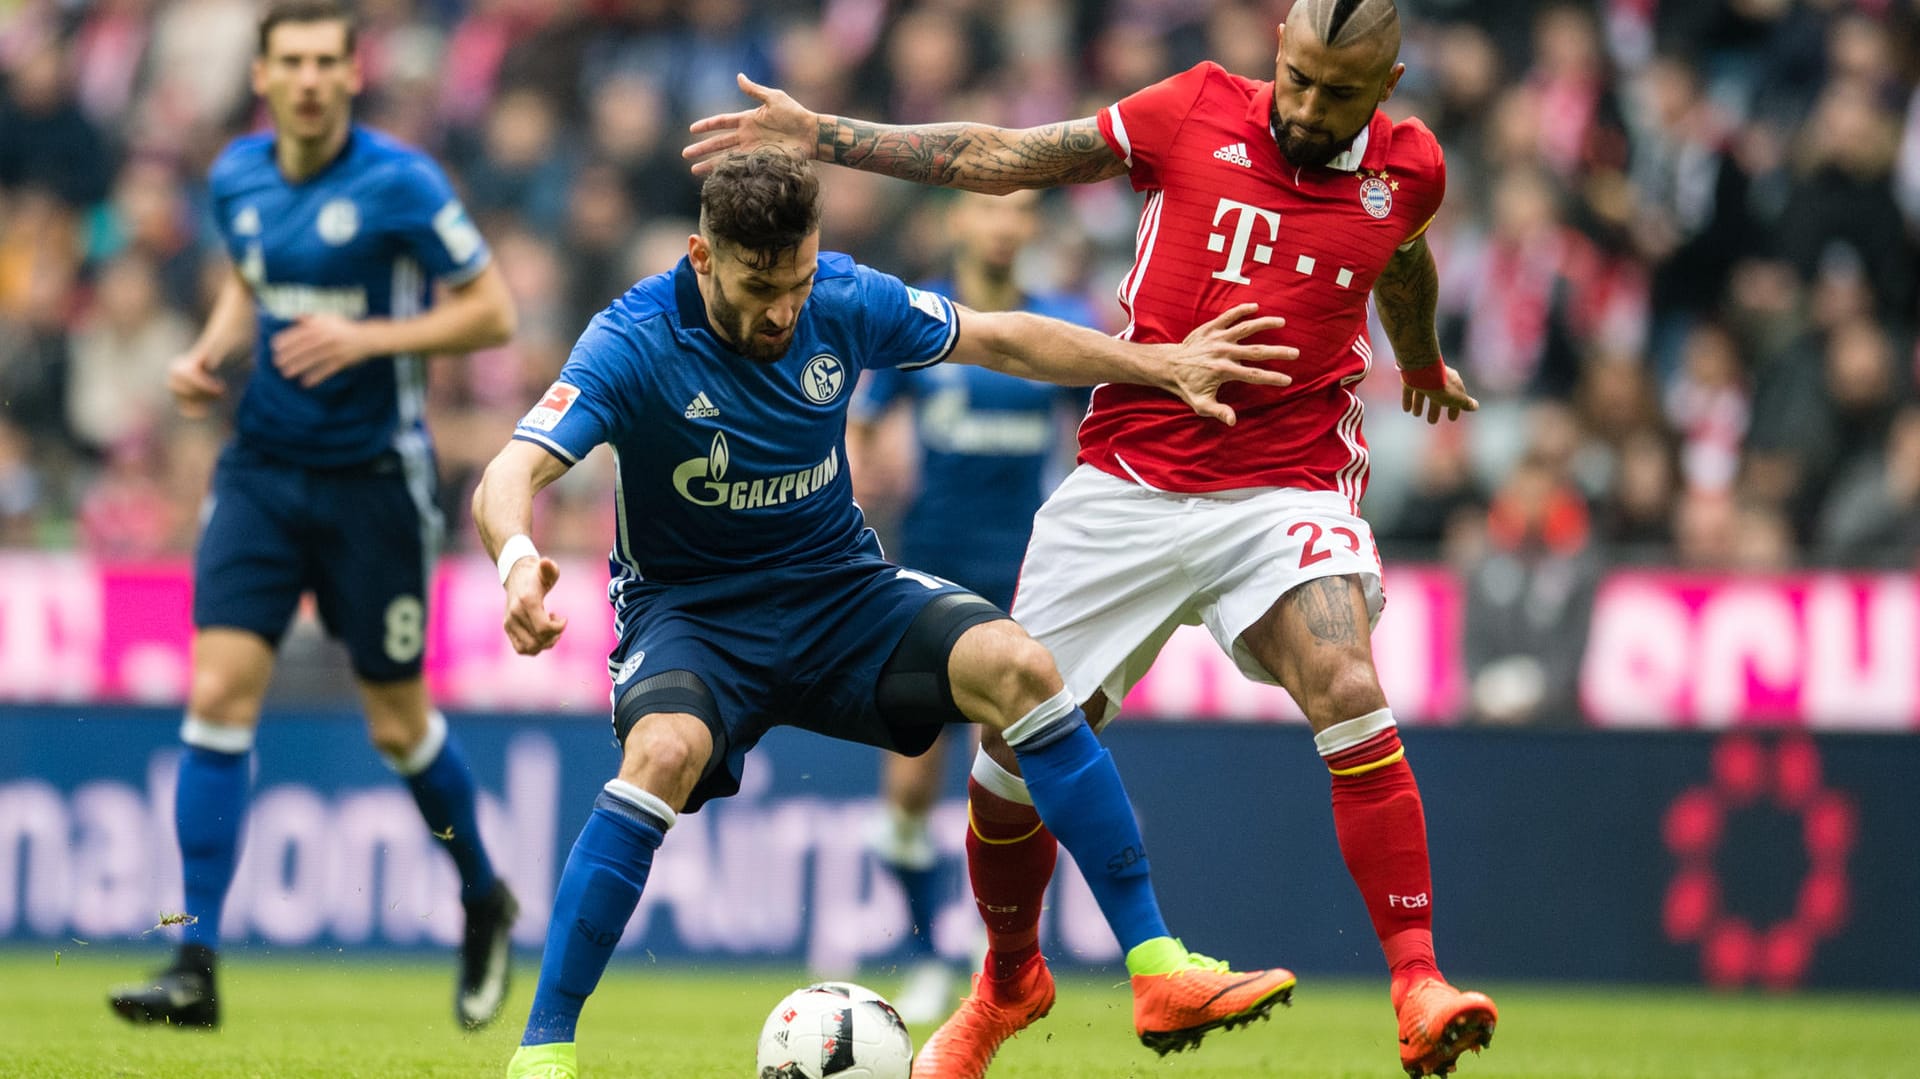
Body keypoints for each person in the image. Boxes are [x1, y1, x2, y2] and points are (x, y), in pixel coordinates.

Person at [684, 0, 1500, 1075]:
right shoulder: (1193, 107)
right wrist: (824, 134)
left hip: (1284, 485)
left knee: (1348, 680)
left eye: (1334, 92)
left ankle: (1416, 976)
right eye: (1293, 76)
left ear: (1384, 90)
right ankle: (1008, 979)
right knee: (1010, 752)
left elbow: (1401, 256)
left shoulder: (1412, 168)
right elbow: (1004, 155)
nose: (1302, 105)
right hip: (1125, 475)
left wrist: (1424, 358)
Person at [474, 148, 1300, 1079]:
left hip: (837, 592)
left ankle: (1154, 967)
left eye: (795, 279)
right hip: (693, 616)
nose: (784, 310)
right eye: (758, 286)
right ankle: (543, 1050)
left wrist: (1158, 364)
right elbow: (511, 471)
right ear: (703, 258)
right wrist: (515, 561)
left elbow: (1001, 339)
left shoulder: (842, 296)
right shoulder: (631, 340)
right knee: (661, 753)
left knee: (1023, 669)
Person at [108, 0, 520, 1033]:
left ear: (352, 72)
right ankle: (193, 959)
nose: (306, 79)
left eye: (324, 62)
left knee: (395, 719)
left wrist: (370, 340)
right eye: (288, 61)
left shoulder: (401, 181)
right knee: (218, 689)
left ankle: (483, 895)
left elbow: (492, 310)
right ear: (261, 74)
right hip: (260, 470)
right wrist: (210, 353)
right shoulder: (237, 175)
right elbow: (251, 285)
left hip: (374, 483)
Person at [847, 189, 1093, 1025]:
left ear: (1030, 229)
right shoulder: (916, 321)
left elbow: (1102, 424)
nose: (1003, 224)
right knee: (911, 784)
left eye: (1020, 211)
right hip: (932, 570)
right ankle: (921, 953)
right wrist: (864, 467)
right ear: (956, 221)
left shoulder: (1059, 322)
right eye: (988, 210)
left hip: (1031, 578)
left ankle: (1010, 956)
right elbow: (864, 422)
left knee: (1019, 772)